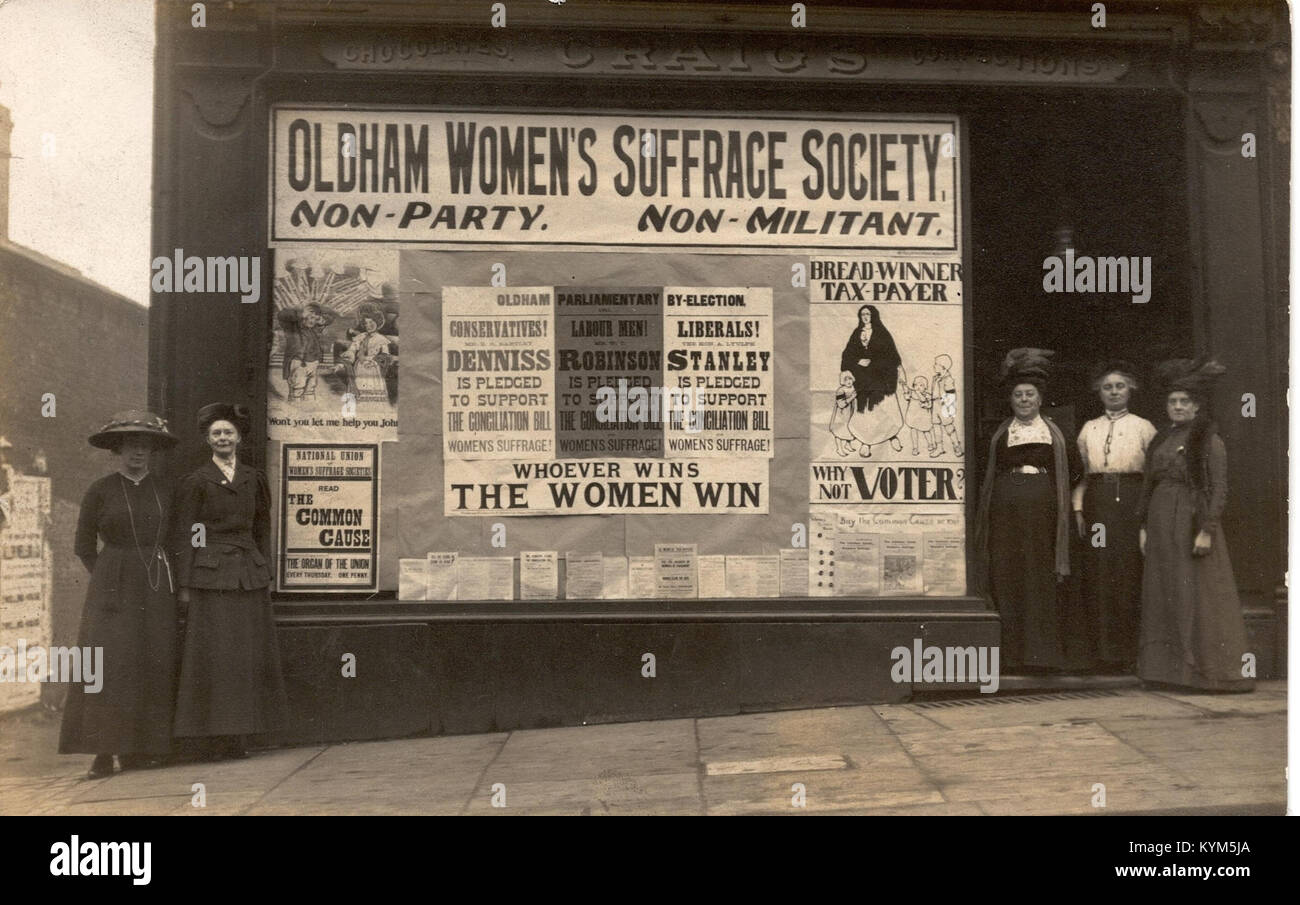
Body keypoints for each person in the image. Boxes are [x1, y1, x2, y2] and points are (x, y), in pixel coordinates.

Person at [58, 411, 179, 779]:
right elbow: (83, 546)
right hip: (111, 586)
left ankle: (140, 750)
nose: (137, 453)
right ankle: (103, 752)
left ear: (152, 451)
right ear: (118, 450)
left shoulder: (164, 489)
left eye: (143, 446)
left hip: (155, 583)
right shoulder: (100, 489)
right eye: (129, 446)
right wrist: (107, 576)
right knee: (109, 665)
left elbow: (175, 539)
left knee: (150, 661)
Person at [172, 403, 287, 758]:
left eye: (228, 433)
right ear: (208, 440)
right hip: (211, 575)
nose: (223, 438)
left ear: (238, 438)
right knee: (215, 656)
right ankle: (214, 735)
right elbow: (188, 531)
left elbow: (263, 526)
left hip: (248, 575)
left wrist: (265, 568)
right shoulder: (196, 481)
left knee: (245, 655)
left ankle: (242, 733)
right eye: (216, 434)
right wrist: (187, 581)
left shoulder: (254, 478)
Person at [1136, 359, 1253, 692]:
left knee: (1195, 593)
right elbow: (1149, 483)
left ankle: (1205, 673)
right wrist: (1144, 525)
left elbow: (1219, 488)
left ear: (1196, 405)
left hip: (1191, 522)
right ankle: (1165, 672)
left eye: (1184, 402)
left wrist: (1206, 530)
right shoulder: (1162, 439)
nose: (1177, 407)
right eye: (1172, 402)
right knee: (1164, 592)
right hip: (1160, 521)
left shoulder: (1209, 440)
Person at [973, 349, 1076, 671]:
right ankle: (1011, 658)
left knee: (1039, 576)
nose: (1024, 400)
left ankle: (1041, 656)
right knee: (1009, 574)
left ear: (1040, 399)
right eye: (1018, 395)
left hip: (1043, 512)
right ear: (1011, 400)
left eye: (1030, 394)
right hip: (1005, 513)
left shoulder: (1057, 434)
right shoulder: (998, 434)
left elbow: (1075, 472)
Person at [1072, 363, 1157, 671]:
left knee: (1128, 571)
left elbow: (1153, 476)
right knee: (1099, 571)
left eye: (1120, 386)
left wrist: (1146, 517)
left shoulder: (1144, 427)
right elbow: (1080, 474)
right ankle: (1101, 654)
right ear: (1099, 392)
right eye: (1108, 387)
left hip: (1130, 502)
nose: (1114, 392)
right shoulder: (1089, 428)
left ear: (1130, 390)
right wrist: (1079, 508)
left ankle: (1128, 654)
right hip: (1098, 504)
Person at [837, 304, 905, 458]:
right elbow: (847, 353)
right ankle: (866, 442)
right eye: (862, 314)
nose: (865, 317)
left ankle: (892, 436)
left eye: (868, 314)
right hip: (864, 380)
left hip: (882, 380)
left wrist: (873, 362)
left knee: (885, 410)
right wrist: (858, 361)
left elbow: (891, 356)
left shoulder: (882, 333)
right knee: (866, 413)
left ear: (873, 315)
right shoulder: (857, 333)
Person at [339, 303, 394, 405]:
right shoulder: (360, 337)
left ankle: (373, 405)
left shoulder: (381, 339)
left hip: (373, 367)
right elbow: (353, 348)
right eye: (366, 323)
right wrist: (349, 352)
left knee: (371, 386)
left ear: (377, 323)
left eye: (371, 322)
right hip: (359, 366)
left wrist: (375, 360)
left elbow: (386, 356)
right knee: (359, 384)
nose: (368, 326)